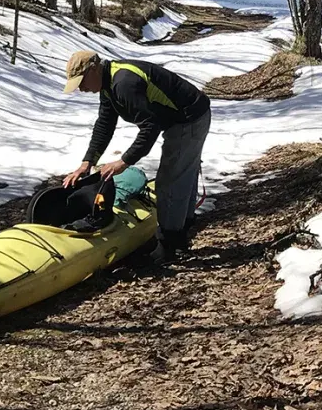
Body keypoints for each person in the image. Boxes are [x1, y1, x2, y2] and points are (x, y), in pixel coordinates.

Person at [60, 50, 211, 261]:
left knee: (170, 181)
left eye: (81, 82)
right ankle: (180, 234)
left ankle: (169, 245)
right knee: (182, 173)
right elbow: (104, 124)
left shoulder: (123, 83)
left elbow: (150, 128)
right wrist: (87, 162)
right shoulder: (107, 84)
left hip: (189, 117)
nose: (81, 89)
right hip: (183, 115)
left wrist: (123, 162)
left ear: (93, 69)